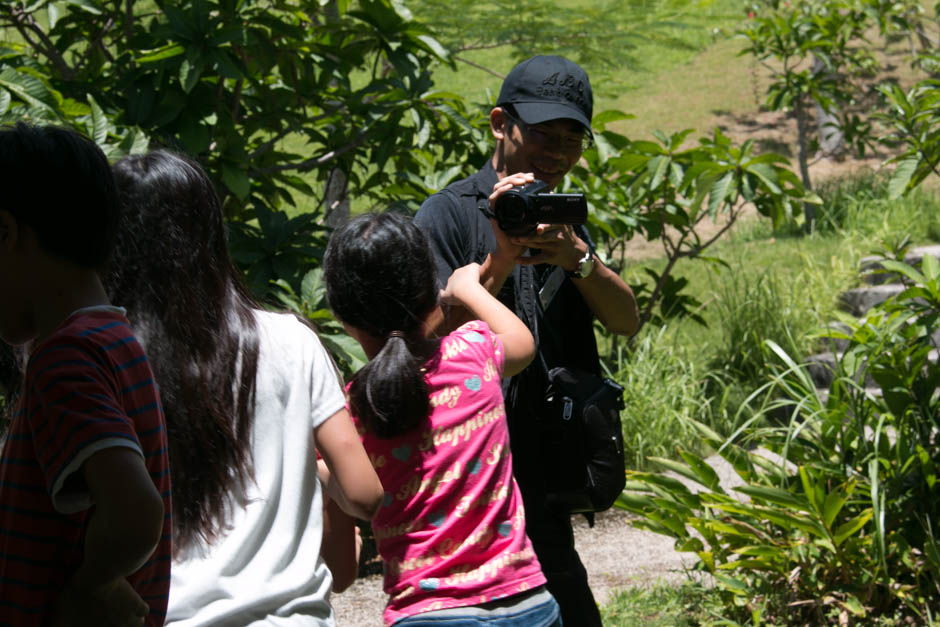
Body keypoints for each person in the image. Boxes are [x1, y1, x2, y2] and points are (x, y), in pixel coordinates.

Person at [106, 150, 384, 625]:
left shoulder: (107, 359)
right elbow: (363, 493)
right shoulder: (292, 340)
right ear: (211, 236)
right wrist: (306, 472)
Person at [414, 54, 640, 626]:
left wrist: (578, 259)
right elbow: (420, 339)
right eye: (543, 134)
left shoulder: (565, 222)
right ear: (500, 124)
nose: (558, 154)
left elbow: (626, 320)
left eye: (572, 140)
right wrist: (497, 260)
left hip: (544, 467)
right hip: (471, 466)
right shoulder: (447, 214)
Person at [323, 212, 561, 626]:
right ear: (431, 293)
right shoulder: (473, 354)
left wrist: (319, 468)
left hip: (428, 613)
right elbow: (523, 342)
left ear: (344, 318)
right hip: (526, 602)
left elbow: (355, 499)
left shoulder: (354, 407)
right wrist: (468, 288)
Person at [0, 123, 172, 625]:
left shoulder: (66, 359)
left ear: (5, 233)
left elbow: (137, 512)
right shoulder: (114, 342)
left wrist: (89, 589)